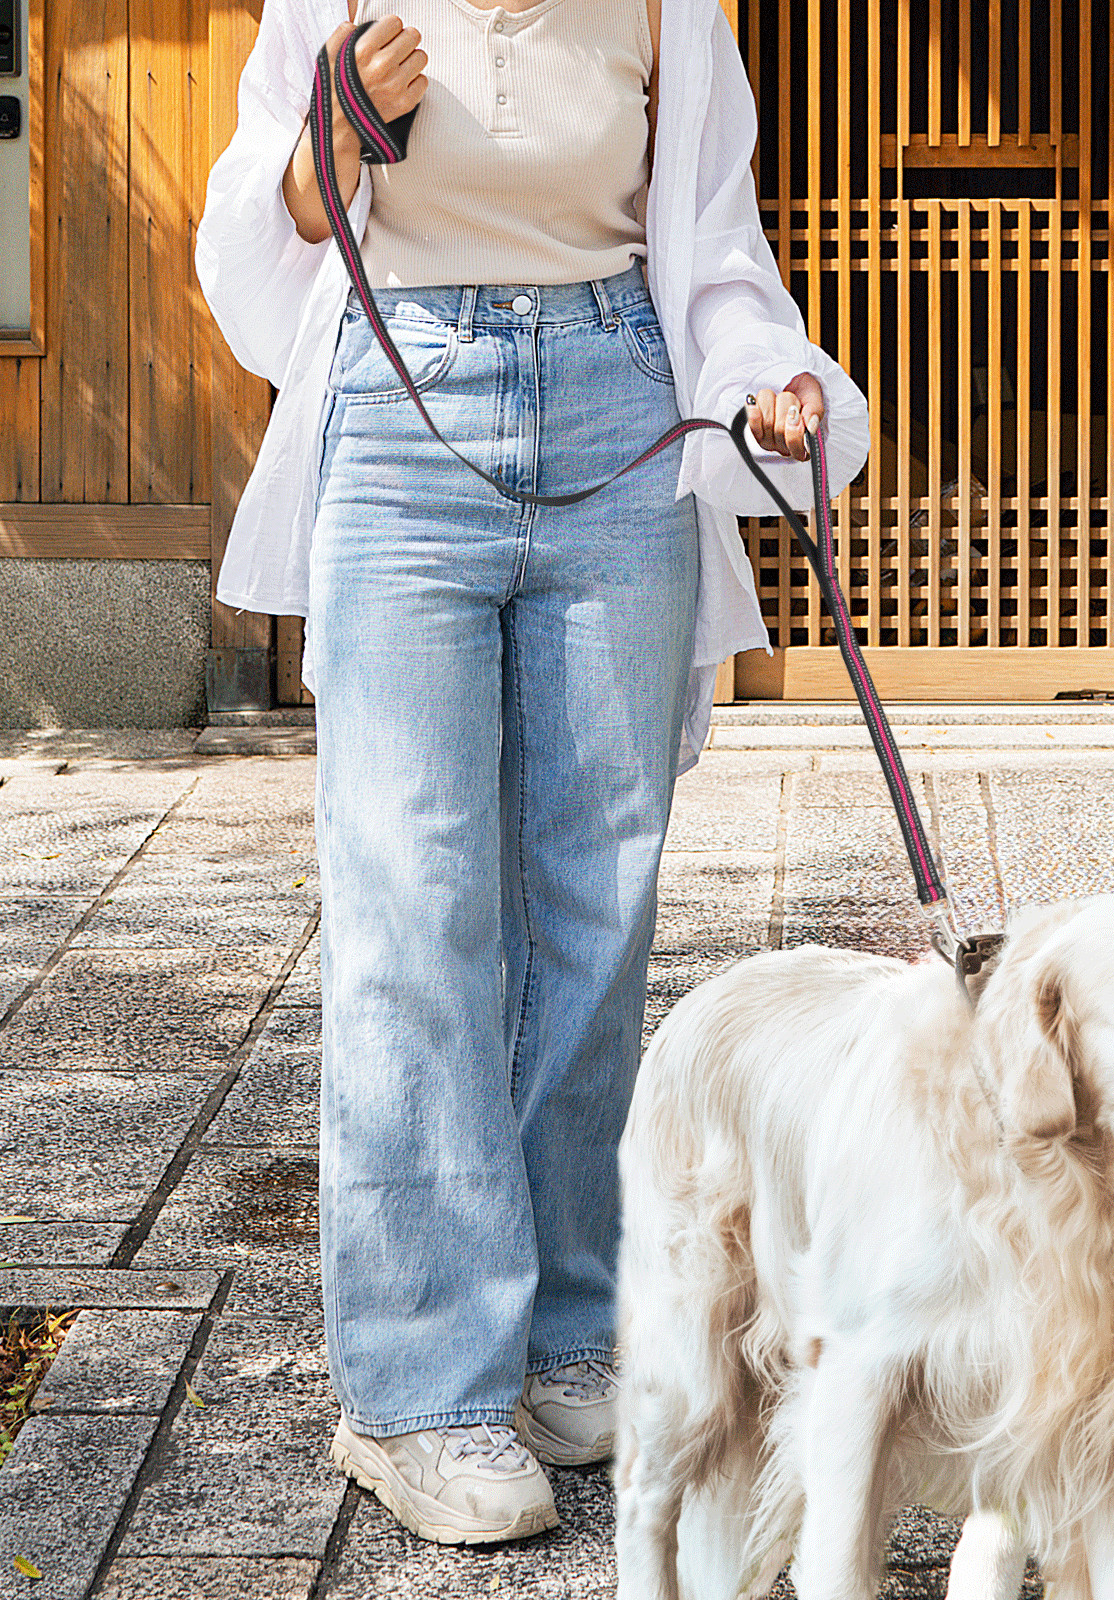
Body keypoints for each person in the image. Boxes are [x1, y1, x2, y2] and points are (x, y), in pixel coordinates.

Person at [196, 0, 869, 1546]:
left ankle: (572, 1333)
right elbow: (258, 237)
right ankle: (422, 1392)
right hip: (402, 396)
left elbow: (710, 248)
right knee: (413, 909)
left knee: (596, 899)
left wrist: (765, 370)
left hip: (617, 404)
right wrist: (335, 133)